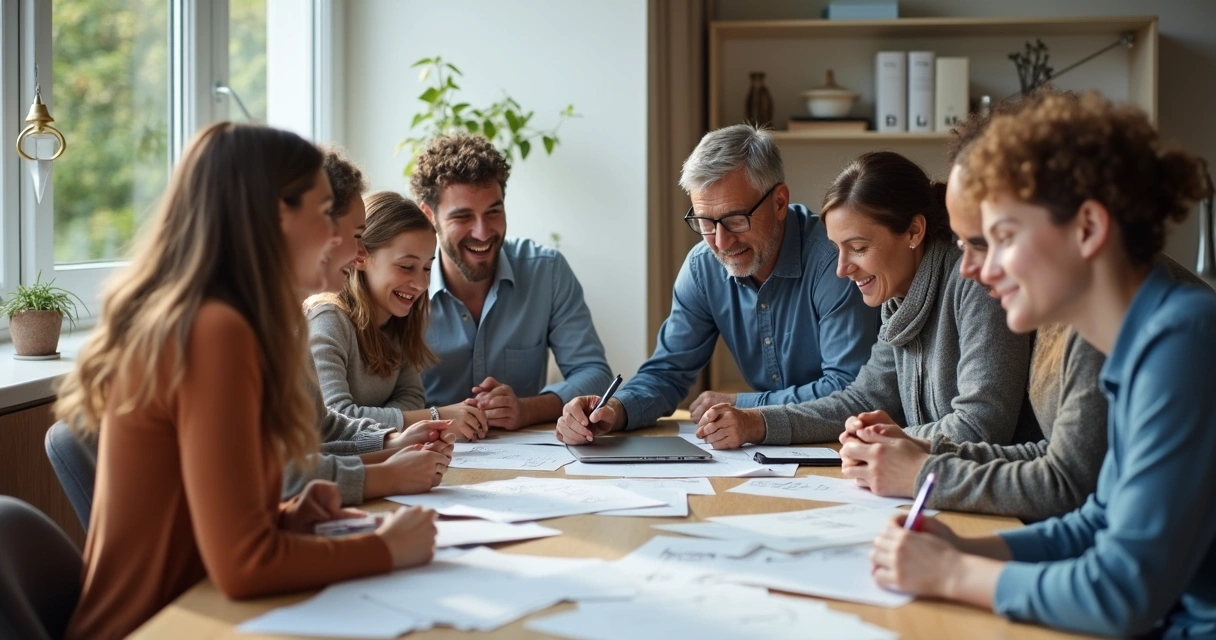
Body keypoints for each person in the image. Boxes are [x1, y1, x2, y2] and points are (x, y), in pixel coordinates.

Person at [55, 123, 437, 640]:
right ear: (279, 215)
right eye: (327, 213)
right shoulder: (215, 329)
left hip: (201, 608)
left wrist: (281, 515)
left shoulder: (233, 322)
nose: (339, 239)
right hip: (162, 624)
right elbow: (242, 565)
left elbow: (209, 520)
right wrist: (385, 548)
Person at [870, 91, 1216, 638]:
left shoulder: (1185, 340)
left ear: (1087, 228)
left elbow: (1122, 591)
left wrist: (953, 572)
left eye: (1002, 237)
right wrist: (962, 546)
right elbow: (1096, 522)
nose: (970, 271)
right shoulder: (1139, 340)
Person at [660, 150, 1041, 450]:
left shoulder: (973, 283)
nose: (842, 269)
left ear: (913, 231)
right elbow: (861, 398)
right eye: (838, 248)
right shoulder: (899, 298)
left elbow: (981, 425)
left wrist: (891, 440)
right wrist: (758, 423)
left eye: (857, 248)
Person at [553, 123, 878, 444]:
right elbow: (666, 374)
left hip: (848, 446)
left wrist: (744, 406)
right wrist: (614, 409)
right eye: (705, 222)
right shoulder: (702, 267)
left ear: (779, 202)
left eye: (737, 219)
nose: (721, 242)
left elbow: (848, 390)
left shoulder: (835, 261)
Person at [285, 148, 455, 507]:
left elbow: (323, 429)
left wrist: (390, 442)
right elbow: (278, 473)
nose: (359, 254)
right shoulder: (316, 318)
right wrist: (388, 471)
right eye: (358, 235)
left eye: (426, 268)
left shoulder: (288, 321)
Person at [412, 133, 613, 430]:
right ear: (429, 216)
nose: (482, 232)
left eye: (493, 212)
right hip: (426, 457)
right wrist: (438, 418)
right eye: (463, 217)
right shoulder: (403, 286)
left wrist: (527, 409)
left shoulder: (548, 272)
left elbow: (595, 374)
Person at [308, 190, 489, 444]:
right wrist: (436, 416)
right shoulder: (328, 320)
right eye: (406, 267)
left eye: (427, 268)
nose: (421, 283)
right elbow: (337, 417)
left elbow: (412, 397)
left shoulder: (398, 320)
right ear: (361, 257)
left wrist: (401, 421)